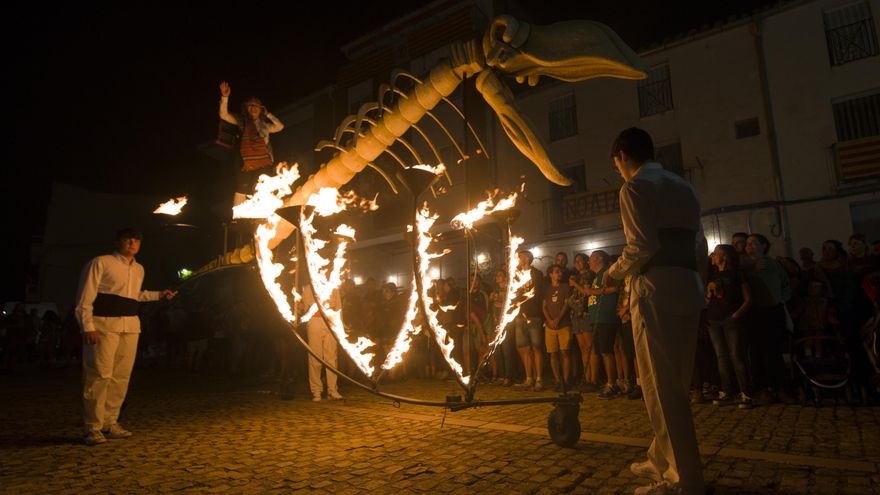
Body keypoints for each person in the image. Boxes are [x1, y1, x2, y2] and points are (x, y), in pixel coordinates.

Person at [603, 128, 706, 495]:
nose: (618, 169)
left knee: (661, 388)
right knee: (676, 381)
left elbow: (642, 245)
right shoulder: (683, 187)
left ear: (623, 156)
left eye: (616, 162)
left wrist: (612, 273)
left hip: (655, 289)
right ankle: (660, 457)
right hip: (688, 287)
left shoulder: (634, 188)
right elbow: (700, 244)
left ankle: (683, 479)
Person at [75, 228, 175, 446]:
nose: (132, 242)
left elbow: (133, 296)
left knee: (121, 377)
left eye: (137, 240)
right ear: (117, 241)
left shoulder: (139, 269)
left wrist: (159, 295)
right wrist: (87, 326)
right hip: (103, 326)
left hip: (130, 326)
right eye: (128, 238)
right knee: (100, 375)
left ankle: (110, 422)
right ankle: (92, 427)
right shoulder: (100, 263)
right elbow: (85, 298)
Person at [218, 81, 284, 206]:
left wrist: (268, 114)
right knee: (242, 188)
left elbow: (280, 126)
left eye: (256, 106)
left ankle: (261, 217)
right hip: (245, 163)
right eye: (250, 105)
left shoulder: (265, 126)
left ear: (261, 109)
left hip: (264, 163)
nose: (253, 108)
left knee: (263, 188)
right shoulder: (241, 121)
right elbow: (224, 115)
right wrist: (225, 97)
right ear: (246, 108)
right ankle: (237, 218)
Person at [705, 244, 753, 409]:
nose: (712, 255)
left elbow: (748, 298)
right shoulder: (712, 274)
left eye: (716, 253)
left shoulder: (736, 274)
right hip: (714, 320)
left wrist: (737, 314)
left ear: (724, 256)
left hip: (731, 319)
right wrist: (710, 293)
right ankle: (726, 391)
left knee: (736, 355)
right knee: (721, 357)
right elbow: (707, 299)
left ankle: (746, 392)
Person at [301, 284, 343, 402]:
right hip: (315, 321)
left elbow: (338, 307)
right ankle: (316, 390)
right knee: (315, 356)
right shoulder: (310, 287)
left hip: (331, 322)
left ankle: (332, 390)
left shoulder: (333, 285)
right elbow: (306, 307)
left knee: (331, 357)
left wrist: (340, 326)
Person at [513, 249, 545, 391]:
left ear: (526, 258)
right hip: (520, 316)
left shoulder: (537, 274)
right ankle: (528, 378)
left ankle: (539, 379)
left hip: (533, 315)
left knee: (536, 347)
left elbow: (538, 294)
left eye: (519, 257)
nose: (517, 260)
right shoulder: (516, 275)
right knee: (524, 348)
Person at [543, 264, 572, 391]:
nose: (559, 274)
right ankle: (557, 380)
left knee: (564, 352)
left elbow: (566, 305)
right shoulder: (547, 289)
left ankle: (566, 380)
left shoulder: (565, 287)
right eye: (556, 272)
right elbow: (543, 306)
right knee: (553, 354)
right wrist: (550, 320)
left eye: (560, 272)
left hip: (563, 324)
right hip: (550, 327)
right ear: (550, 275)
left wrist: (558, 319)